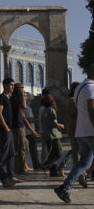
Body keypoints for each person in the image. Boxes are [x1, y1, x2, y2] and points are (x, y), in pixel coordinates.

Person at [54, 63, 94, 203]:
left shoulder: (80, 87)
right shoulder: (91, 88)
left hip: (81, 132)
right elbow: (91, 110)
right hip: (91, 132)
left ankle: (64, 189)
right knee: (84, 163)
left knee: (84, 163)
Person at [0, 78, 20, 183]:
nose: (13, 87)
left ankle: (11, 175)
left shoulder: (8, 98)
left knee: (11, 153)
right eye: (11, 85)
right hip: (4, 130)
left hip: (8, 129)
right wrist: (5, 126)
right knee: (4, 153)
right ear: (5, 85)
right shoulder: (1, 98)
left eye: (13, 85)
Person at [56, 82, 80, 178]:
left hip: (76, 129)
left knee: (75, 151)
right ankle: (76, 174)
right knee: (75, 153)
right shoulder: (72, 100)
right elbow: (76, 114)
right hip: (75, 130)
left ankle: (61, 167)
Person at [41, 94, 64, 176]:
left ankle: (53, 171)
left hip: (47, 135)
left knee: (52, 153)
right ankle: (45, 165)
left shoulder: (44, 110)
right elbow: (53, 123)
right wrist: (61, 125)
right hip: (54, 135)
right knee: (58, 153)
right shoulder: (51, 110)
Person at [11, 83, 28, 175]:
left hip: (18, 126)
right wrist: (22, 95)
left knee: (20, 148)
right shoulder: (15, 99)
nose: (23, 91)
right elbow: (24, 106)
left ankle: (18, 168)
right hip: (17, 126)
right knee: (20, 148)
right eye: (22, 89)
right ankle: (20, 169)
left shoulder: (14, 99)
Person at [24, 92, 41, 170]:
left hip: (26, 131)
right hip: (30, 132)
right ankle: (36, 164)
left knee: (27, 150)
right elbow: (30, 120)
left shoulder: (26, 108)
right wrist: (39, 119)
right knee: (33, 150)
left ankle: (27, 164)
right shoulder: (28, 108)